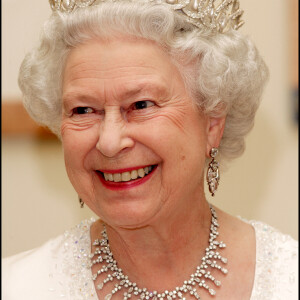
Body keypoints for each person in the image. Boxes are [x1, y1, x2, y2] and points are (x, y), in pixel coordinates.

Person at [3, 0, 298, 299]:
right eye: (83, 110)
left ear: (212, 123)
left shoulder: (289, 280)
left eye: (141, 105)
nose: (109, 142)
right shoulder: (17, 287)